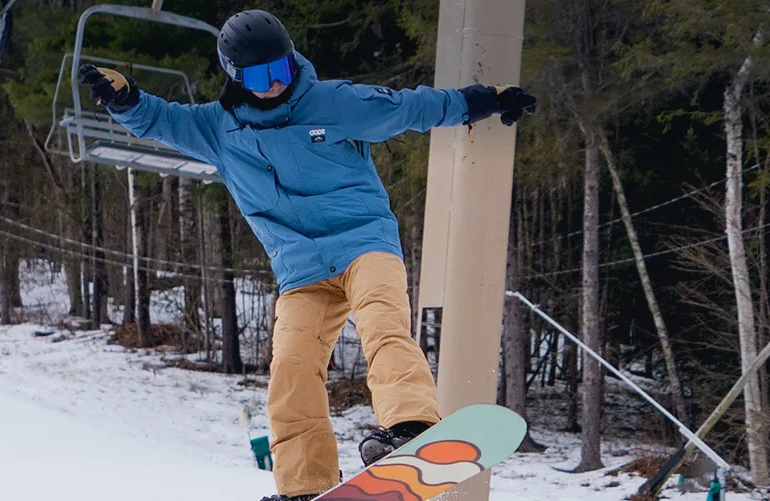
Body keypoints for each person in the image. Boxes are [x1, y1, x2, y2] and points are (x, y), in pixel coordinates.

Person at [79, 9, 536, 501]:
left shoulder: (333, 102)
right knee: (291, 367)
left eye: (281, 69)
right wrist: (124, 99)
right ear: (235, 75)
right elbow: (160, 120)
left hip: (364, 245)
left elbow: (410, 108)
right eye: (260, 77)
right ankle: (305, 484)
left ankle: (410, 425)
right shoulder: (218, 129)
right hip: (300, 271)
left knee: (382, 325)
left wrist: (484, 100)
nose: (275, 83)